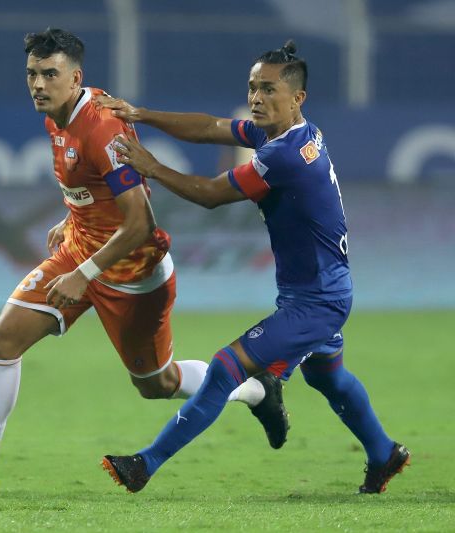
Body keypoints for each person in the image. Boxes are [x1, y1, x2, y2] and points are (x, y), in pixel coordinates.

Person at [0, 28, 286, 499]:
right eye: (32, 74)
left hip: (133, 273)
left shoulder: (102, 127)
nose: (38, 84)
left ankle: (256, 391)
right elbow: (96, 189)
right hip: (80, 251)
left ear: (76, 78)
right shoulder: (57, 113)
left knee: (158, 384)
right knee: (1, 340)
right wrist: (70, 218)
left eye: (50, 74)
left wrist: (82, 273)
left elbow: (140, 223)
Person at [98, 40, 410, 495]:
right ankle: (384, 454)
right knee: (327, 376)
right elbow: (208, 127)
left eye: (268, 90)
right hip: (318, 289)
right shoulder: (290, 133)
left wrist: (152, 166)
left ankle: (145, 463)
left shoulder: (283, 156)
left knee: (227, 366)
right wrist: (140, 115)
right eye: (252, 88)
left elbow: (208, 195)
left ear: (297, 98)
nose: (257, 98)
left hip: (318, 300)